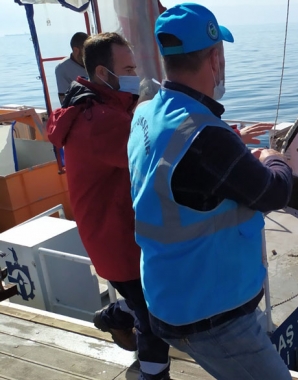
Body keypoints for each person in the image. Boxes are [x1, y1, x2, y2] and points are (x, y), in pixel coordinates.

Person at [127, 3, 293, 379]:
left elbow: (185, 179)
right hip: (212, 315)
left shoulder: (145, 114)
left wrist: (234, 150)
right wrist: (273, 156)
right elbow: (274, 192)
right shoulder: (207, 138)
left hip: (165, 294)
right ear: (216, 58)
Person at [46, 32, 171, 380]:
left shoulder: (102, 106)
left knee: (147, 302)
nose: (136, 74)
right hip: (117, 236)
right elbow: (155, 156)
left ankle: (113, 317)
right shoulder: (100, 121)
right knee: (154, 317)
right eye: (128, 67)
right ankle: (153, 375)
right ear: (103, 73)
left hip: (115, 230)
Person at [55, 32, 89, 104]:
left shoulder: (96, 61)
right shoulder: (62, 68)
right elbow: (64, 100)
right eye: (86, 51)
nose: (90, 54)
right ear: (76, 50)